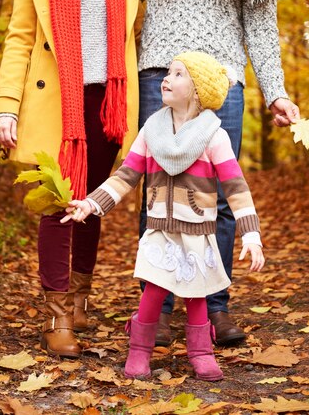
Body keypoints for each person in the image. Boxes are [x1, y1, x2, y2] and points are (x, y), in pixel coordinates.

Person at [129, 0, 300, 346]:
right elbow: (122, 5)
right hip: (159, 74)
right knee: (155, 191)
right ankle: (154, 308)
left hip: (222, 80)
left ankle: (214, 307)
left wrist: (277, 91)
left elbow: (262, 24)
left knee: (218, 196)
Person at [0, 0, 141, 359]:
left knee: (92, 202)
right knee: (57, 202)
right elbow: (18, 38)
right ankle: (57, 314)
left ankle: (80, 297)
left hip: (107, 103)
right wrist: (6, 106)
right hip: (56, 100)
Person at [63, 51, 265, 381]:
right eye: (168, 72)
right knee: (153, 291)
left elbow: (236, 187)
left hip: (198, 231)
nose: (166, 79)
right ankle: (140, 351)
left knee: (197, 294)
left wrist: (251, 234)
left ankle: (200, 351)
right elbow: (126, 176)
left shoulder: (214, 136)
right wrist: (91, 203)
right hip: (159, 231)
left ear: (198, 89)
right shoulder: (151, 131)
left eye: (178, 74)